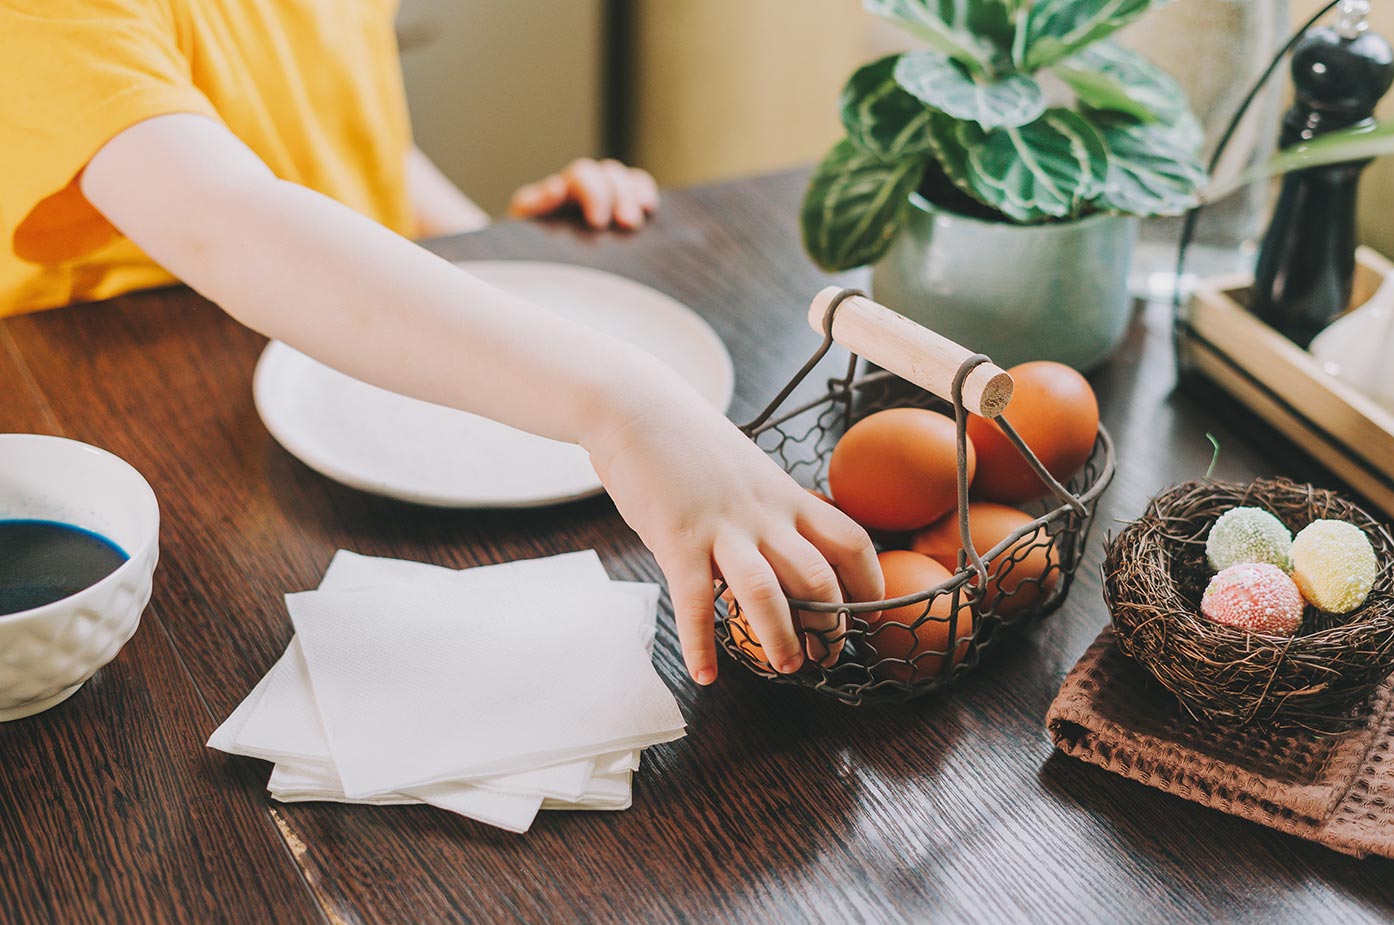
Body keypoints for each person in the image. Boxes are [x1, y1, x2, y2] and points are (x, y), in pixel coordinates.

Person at [0, 0, 882, 685]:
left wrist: (489, 242)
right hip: (132, 426)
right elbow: (219, 218)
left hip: (363, 360)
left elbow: (335, 139)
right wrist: (624, 403)